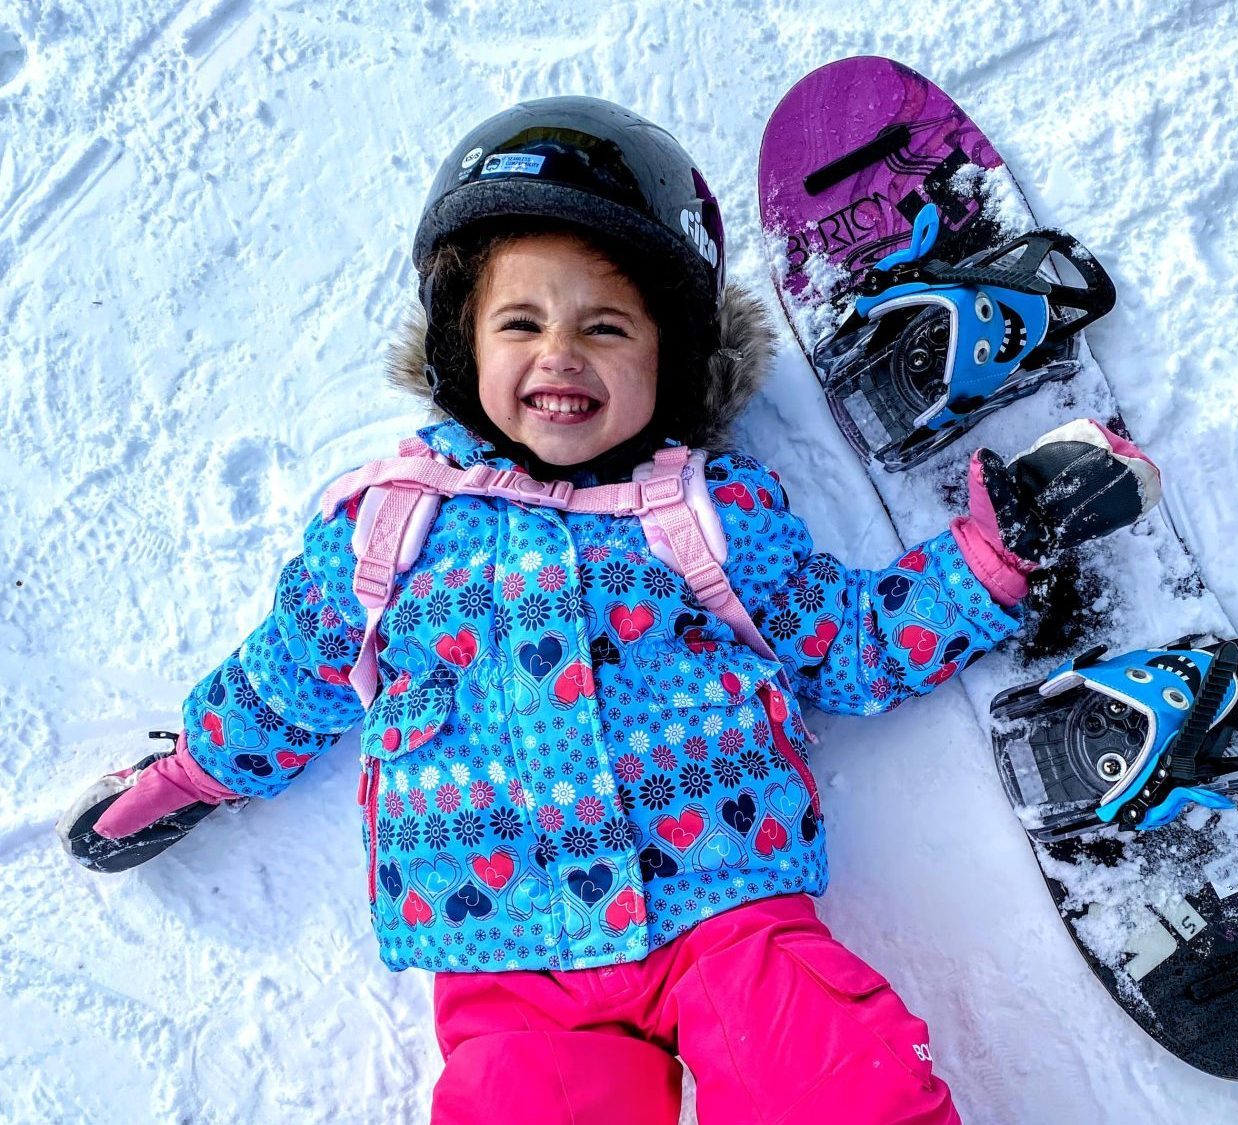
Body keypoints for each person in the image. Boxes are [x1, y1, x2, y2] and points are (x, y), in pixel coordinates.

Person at [58, 97, 1160, 1124]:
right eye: (520, 322)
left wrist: (985, 562)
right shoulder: (389, 525)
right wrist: (195, 771)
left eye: (606, 329)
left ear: (671, 358)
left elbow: (845, 645)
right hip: (507, 951)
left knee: (836, 1074)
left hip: (729, 908)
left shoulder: (705, 511)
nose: (560, 355)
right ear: (459, 346)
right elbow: (289, 672)